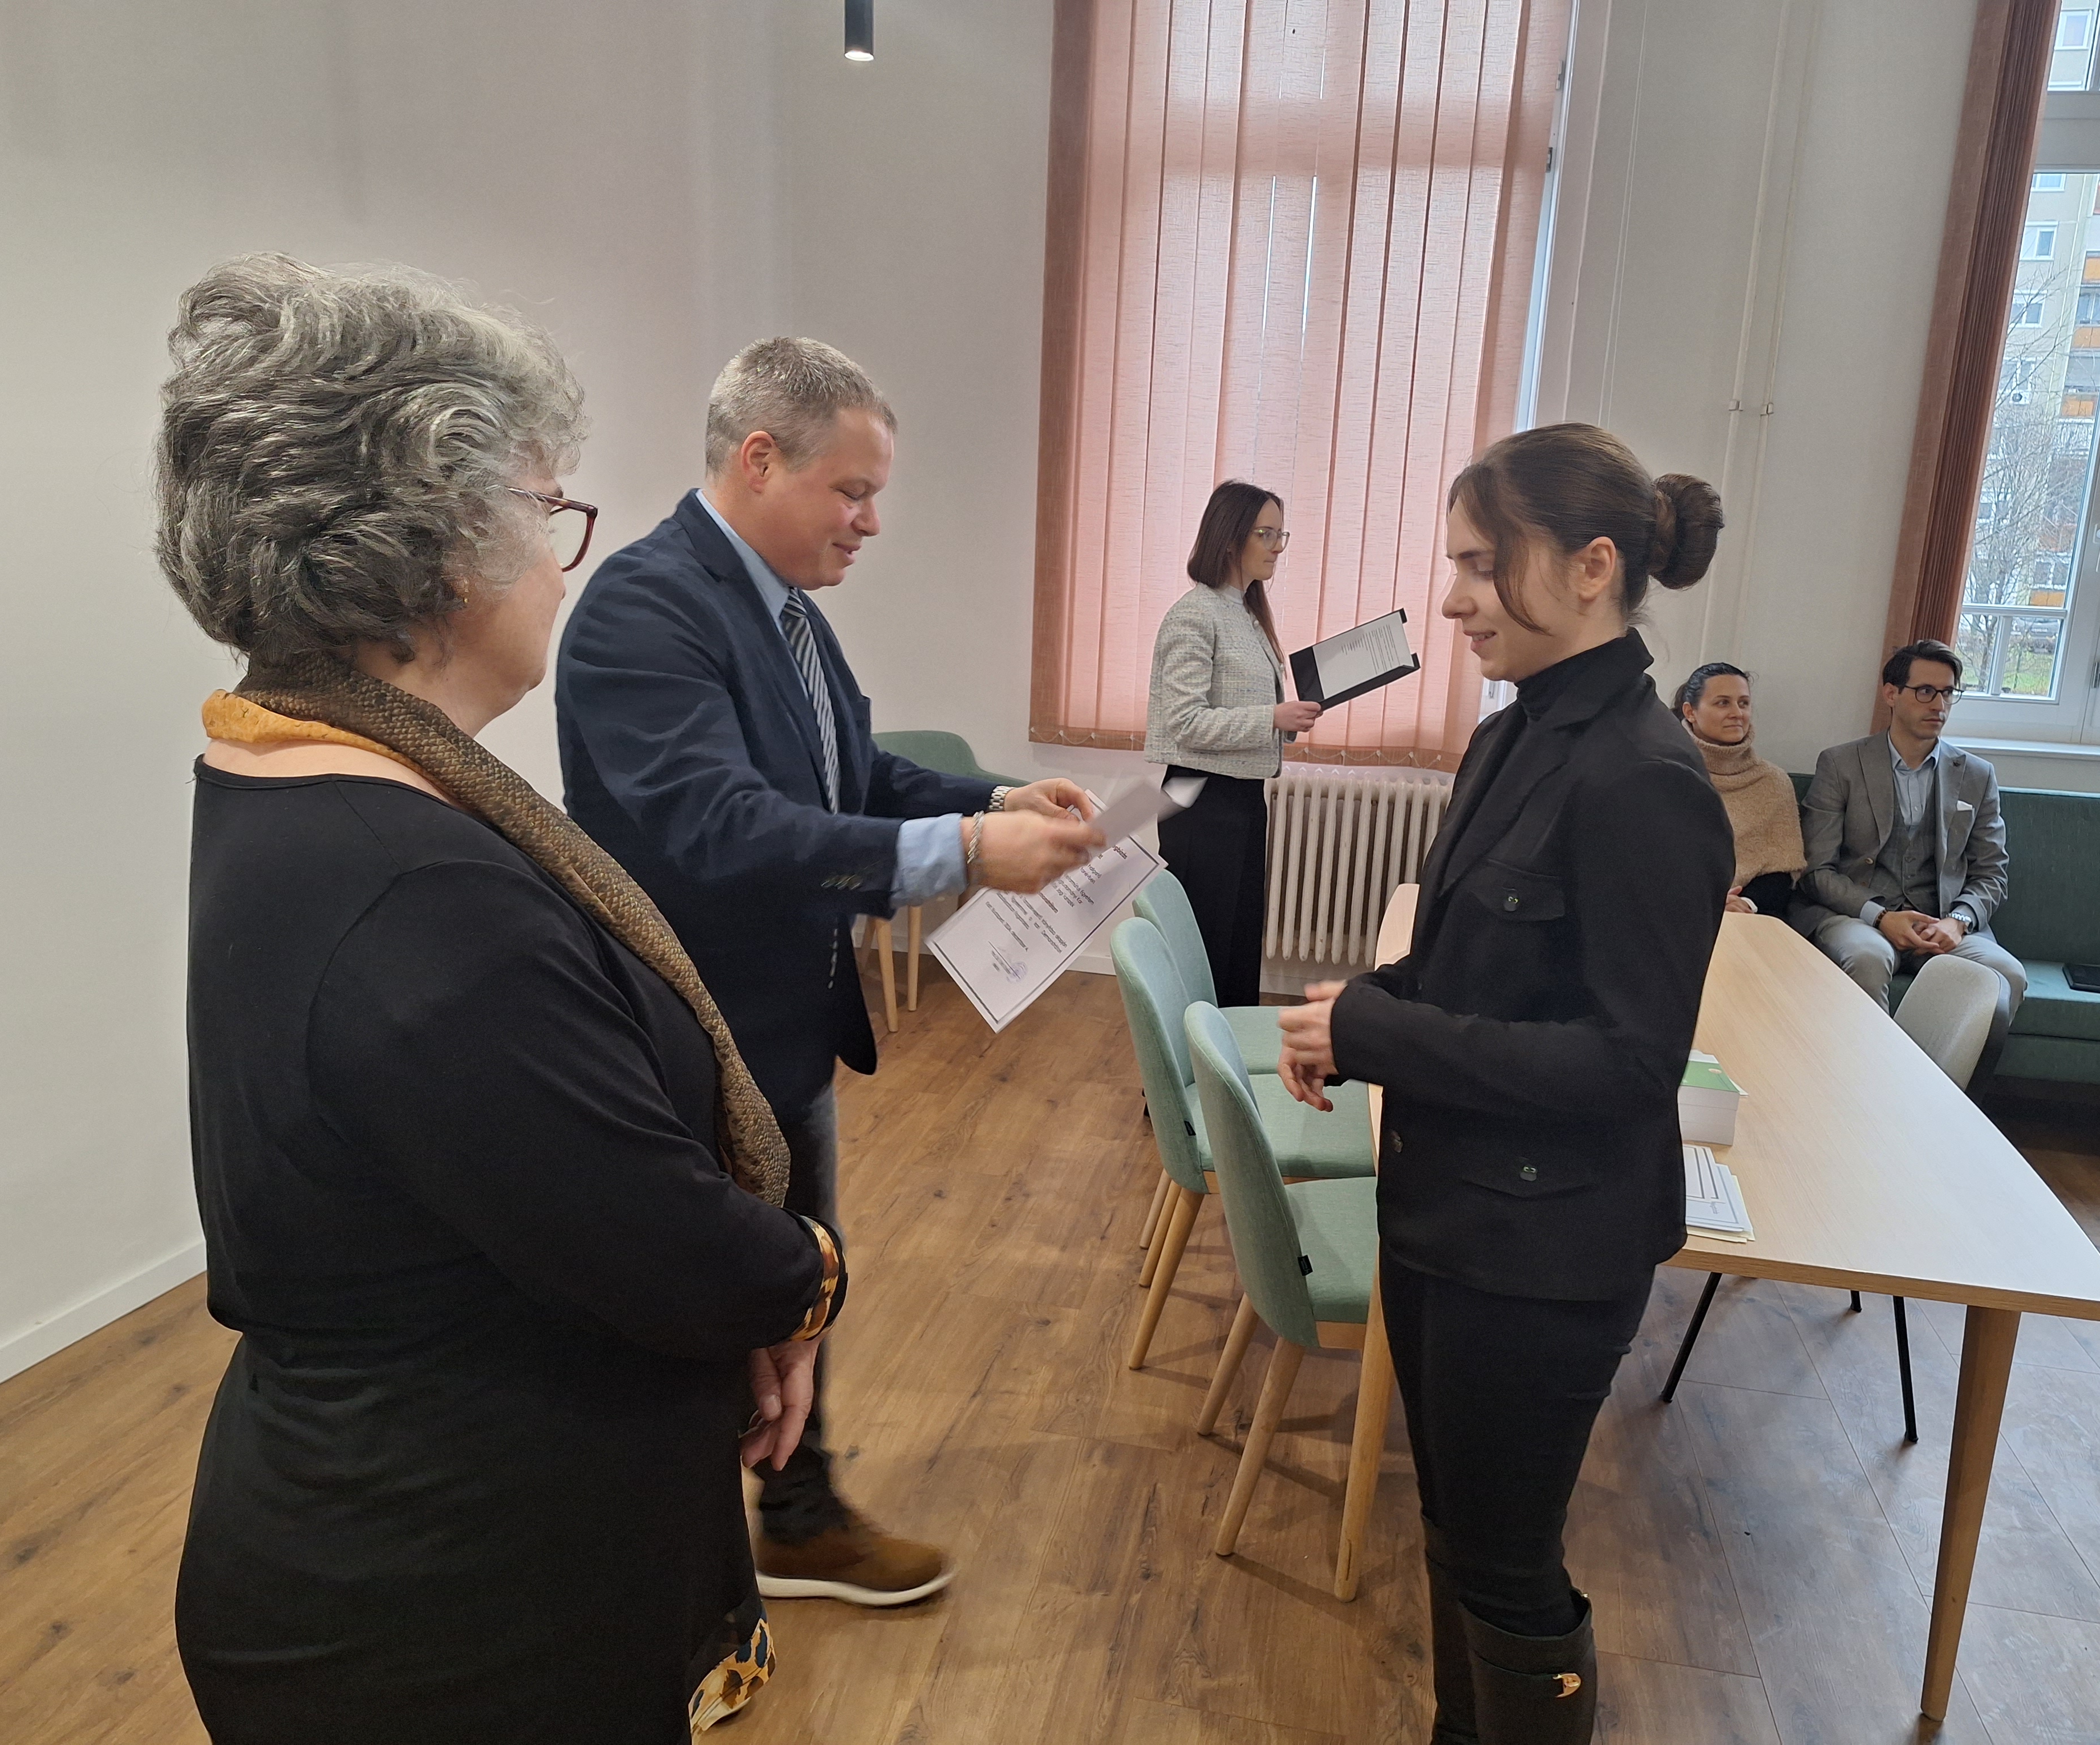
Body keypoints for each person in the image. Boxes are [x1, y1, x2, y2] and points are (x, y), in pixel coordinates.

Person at [161, 256, 843, 1744]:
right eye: (546, 507)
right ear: (442, 540)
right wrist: (806, 1274)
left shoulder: (277, 767)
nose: (561, 555)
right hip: (450, 1614)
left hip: (400, 1534)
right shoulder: (425, 895)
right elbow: (664, 1245)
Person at [554, 337, 1100, 1607]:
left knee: (799, 1282)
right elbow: (723, 826)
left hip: (782, 1033)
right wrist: (967, 852)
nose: (871, 523)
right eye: (852, 491)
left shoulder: (787, 610)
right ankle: (678, 1581)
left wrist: (992, 798)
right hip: (693, 1049)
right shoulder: (646, 608)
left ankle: (797, 1518)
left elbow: (854, 776)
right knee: (701, 1312)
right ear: (760, 459)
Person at [1275, 424, 1733, 1745]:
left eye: (1482, 565)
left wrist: (1381, 1033)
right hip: (1449, 1215)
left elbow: (1627, 1064)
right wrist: (1358, 1011)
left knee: (1506, 1565)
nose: (1453, 600)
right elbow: (1465, 965)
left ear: (1592, 567)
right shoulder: (1511, 735)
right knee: (1457, 1534)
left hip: (1543, 1254)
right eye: (1456, 566)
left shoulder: (1645, 778)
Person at [1793, 639, 2028, 1053]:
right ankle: (1864, 1079)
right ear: (1891, 694)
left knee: (2007, 974)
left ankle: (1941, 1087)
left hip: (1943, 920)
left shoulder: (1977, 775)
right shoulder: (1841, 764)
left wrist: (1958, 921)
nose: (1939, 705)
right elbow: (1817, 871)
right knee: (1867, 958)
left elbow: (1992, 874)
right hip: (1859, 916)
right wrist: (1882, 916)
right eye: (1925, 691)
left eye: (1948, 693)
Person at [1143, 481, 1323, 1007]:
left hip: (1241, 798)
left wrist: (1285, 720)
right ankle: (1185, 1059)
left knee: (1238, 945)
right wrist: (1271, 717)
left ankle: (1228, 1052)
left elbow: (1241, 709)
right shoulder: (1194, 614)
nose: (1277, 547)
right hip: (1200, 799)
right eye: (1265, 534)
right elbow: (1185, 723)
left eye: (1281, 535)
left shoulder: (1245, 614)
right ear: (1229, 538)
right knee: (1203, 950)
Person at [1674, 662, 1806, 918]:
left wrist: (1745, 903)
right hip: (1672, 911)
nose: (1737, 713)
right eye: (1723, 703)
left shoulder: (1773, 781)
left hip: (1747, 916)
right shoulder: (1665, 773)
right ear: (1690, 712)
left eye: (1744, 703)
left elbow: (1782, 871)